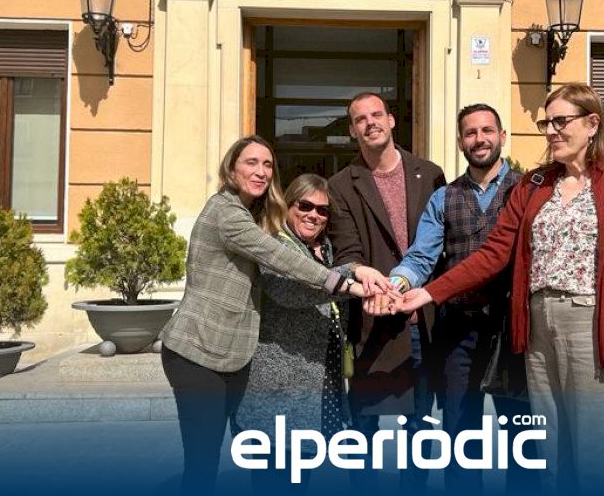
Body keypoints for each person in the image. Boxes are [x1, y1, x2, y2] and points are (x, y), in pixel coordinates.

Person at [390, 84, 604, 494]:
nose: (551, 131)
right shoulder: (536, 184)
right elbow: (494, 253)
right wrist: (430, 292)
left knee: (594, 457)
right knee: (548, 450)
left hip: (592, 323)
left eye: (561, 121)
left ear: (592, 123)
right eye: (546, 123)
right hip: (537, 327)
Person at [158, 135, 393, 494]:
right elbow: (279, 259)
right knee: (203, 463)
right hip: (197, 350)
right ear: (231, 168)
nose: (261, 171)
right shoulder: (228, 214)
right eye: (251, 162)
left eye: (267, 164)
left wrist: (359, 273)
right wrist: (348, 282)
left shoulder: (252, 214)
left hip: (231, 356)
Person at [367, 103, 535, 495]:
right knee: (461, 432)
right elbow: (421, 257)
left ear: (502, 136)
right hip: (459, 329)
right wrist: (396, 285)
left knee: (522, 435)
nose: (480, 139)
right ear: (460, 142)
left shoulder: (527, 190)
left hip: (514, 328)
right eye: (471, 133)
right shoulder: (444, 197)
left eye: (487, 130)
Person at [326, 92, 445, 491]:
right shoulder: (340, 185)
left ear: (392, 120)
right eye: (360, 119)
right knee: (365, 422)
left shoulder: (430, 174)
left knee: (420, 423)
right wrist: (364, 275)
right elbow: (347, 251)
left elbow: (440, 245)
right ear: (352, 130)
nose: (370, 123)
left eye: (377, 114)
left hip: (421, 317)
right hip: (371, 314)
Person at [236, 173, 357, 491]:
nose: (314, 215)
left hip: (319, 380)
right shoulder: (273, 244)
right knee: (274, 481)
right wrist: (351, 278)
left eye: (322, 210)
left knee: (299, 478)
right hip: (279, 385)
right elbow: (289, 291)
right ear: (288, 205)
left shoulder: (326, 249)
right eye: (305, 206)